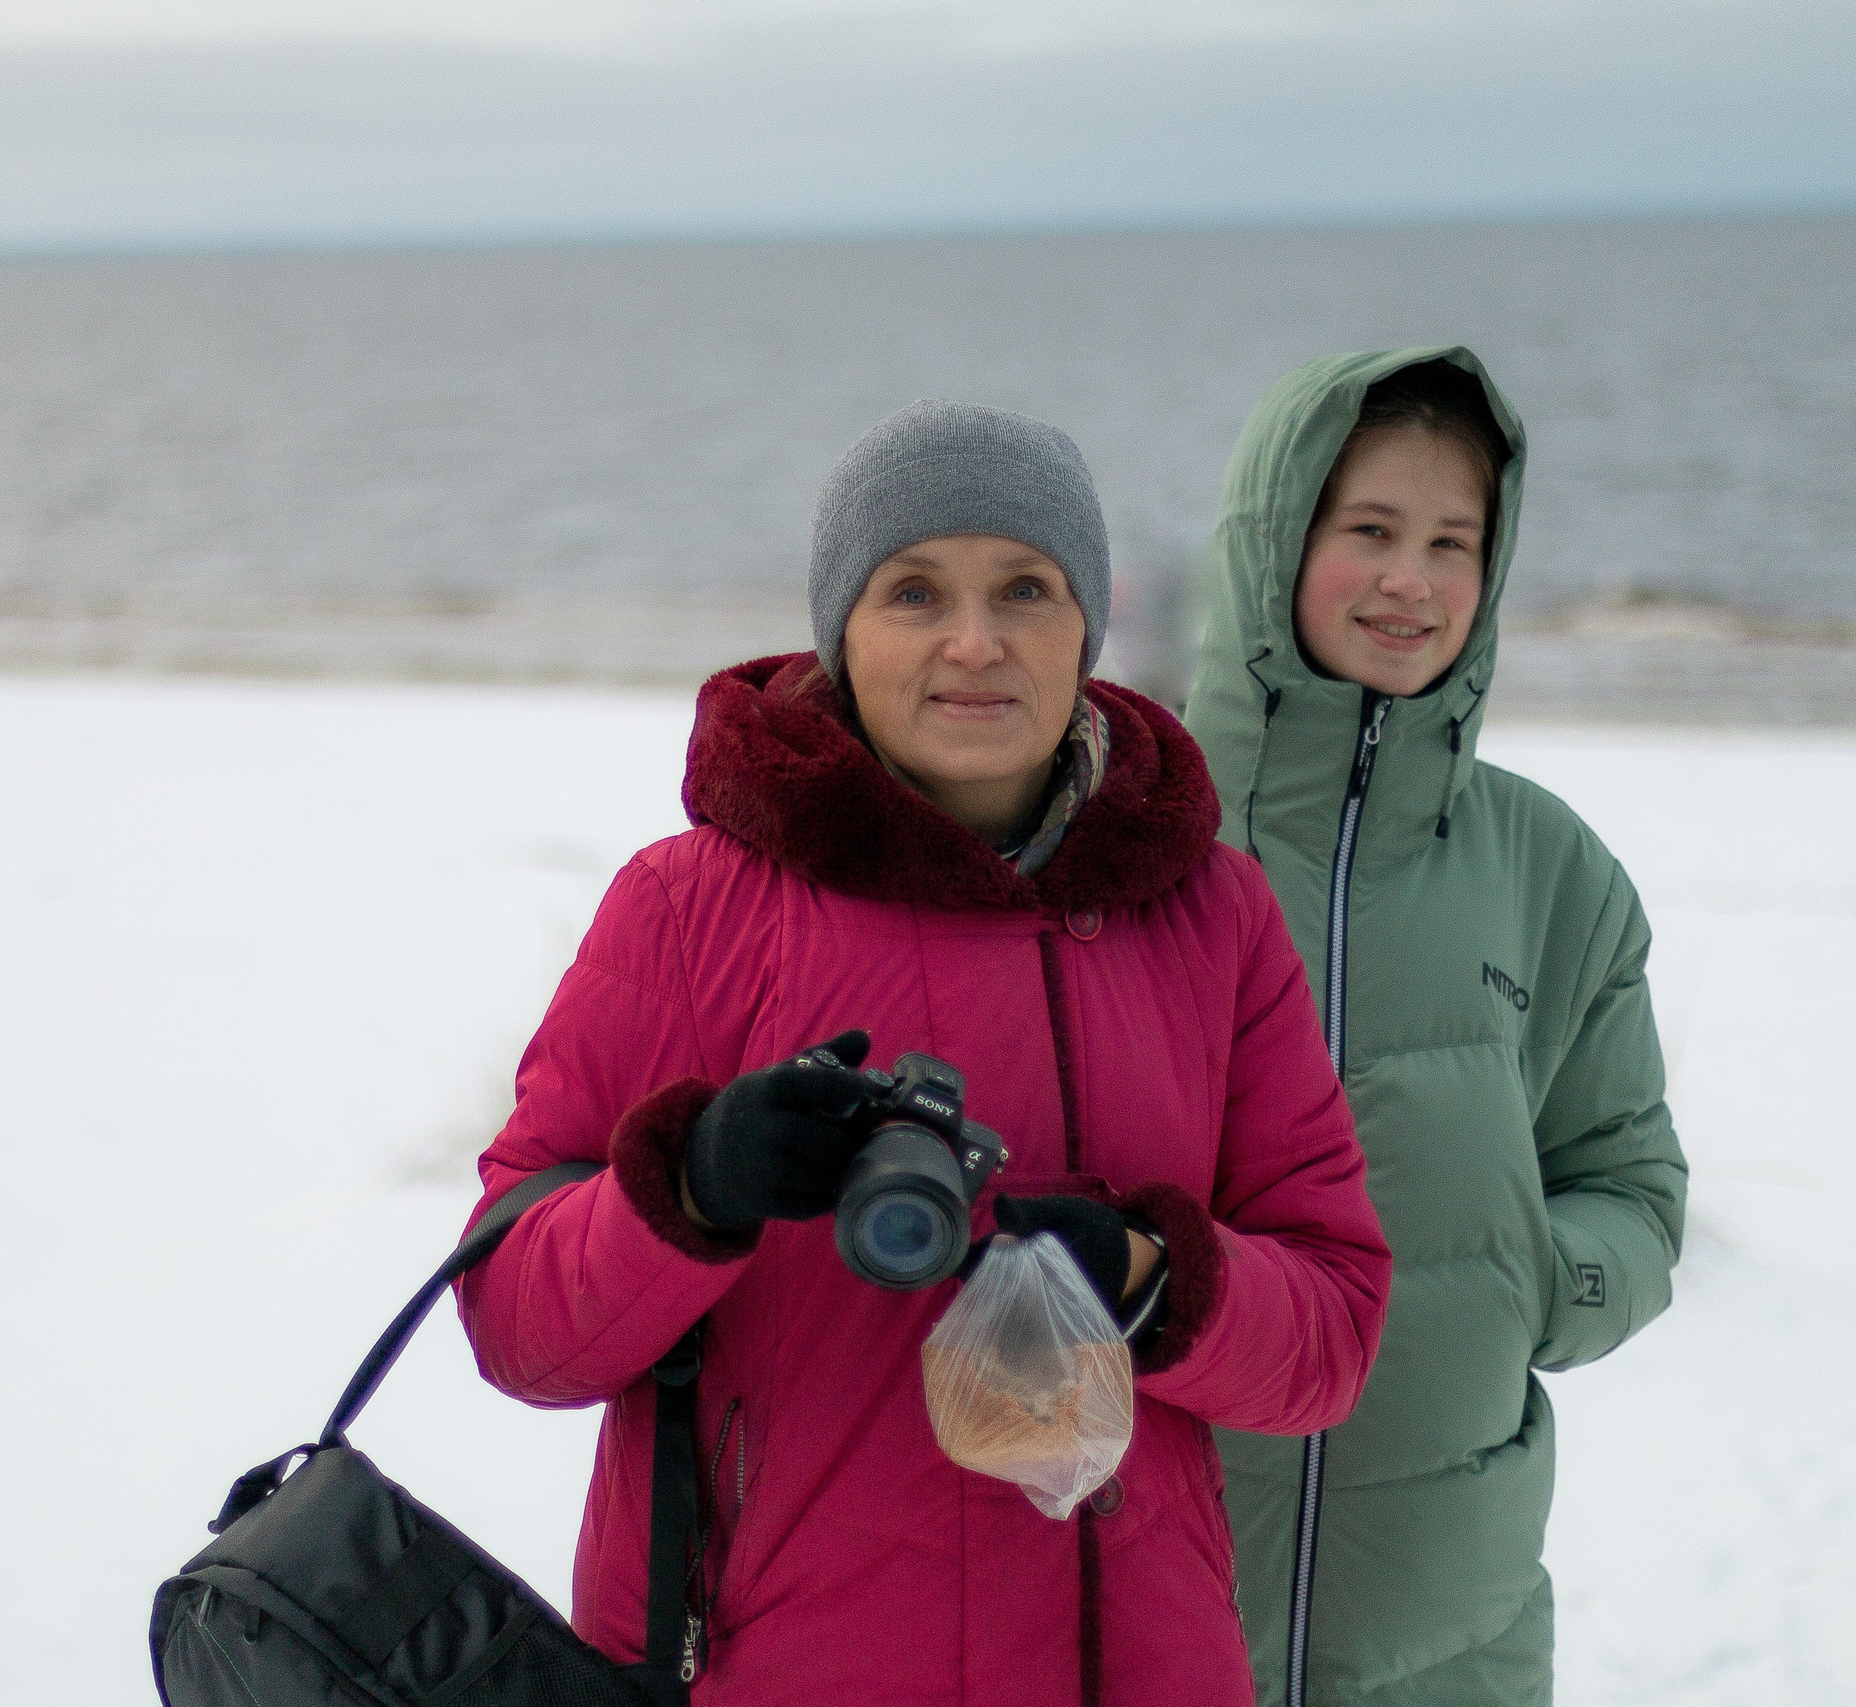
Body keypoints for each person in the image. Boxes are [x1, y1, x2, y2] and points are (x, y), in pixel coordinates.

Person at [457, 399, 1392, 1705]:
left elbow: (1335, 1332)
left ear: (1089, 624)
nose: (975, 641)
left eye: (1026, 587)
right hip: (774, 1670)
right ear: (843, 631)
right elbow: (516, 1326)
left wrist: (1150, 1275)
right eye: (913, 593)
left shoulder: (1210, 917)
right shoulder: (687, 911)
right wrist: (694, 1186)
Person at [1186, 349, 1690, 1707]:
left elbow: (1635, 1196)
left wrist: (1537, 1278)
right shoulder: (1141, 842)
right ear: (1276, 544)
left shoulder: (1549, 870)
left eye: (1451, 543)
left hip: (1445, 1638)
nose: (1410, 581)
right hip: (1155, 1610)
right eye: (1369, 532)